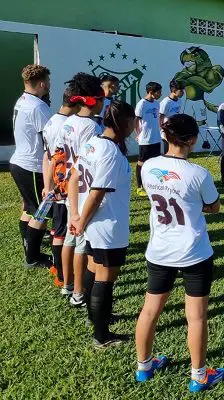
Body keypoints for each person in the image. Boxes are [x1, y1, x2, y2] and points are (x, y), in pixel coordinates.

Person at [134, 113, 224, 392]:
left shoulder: (148, 166)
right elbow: (214, 207)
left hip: (159, 250)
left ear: (165, 135)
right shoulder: (198, 173)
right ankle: (198, 376)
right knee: (196, 317)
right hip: (194, 252)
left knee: (150, 310)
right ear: (193, 140)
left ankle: (144, 366)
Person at [68, 99, 134, 349]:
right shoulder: (109, 151)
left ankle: (95, 317)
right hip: (107, 224)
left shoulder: (92, 143)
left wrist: (75, 215)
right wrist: (80, 221)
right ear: (125, 122)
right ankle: (102, 336)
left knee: (94, 268)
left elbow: (74, 178)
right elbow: (96, 192)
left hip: (92, 221)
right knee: (106, 277)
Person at [57, 73, 105, 308]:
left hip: (69, 189)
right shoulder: (91, 128)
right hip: (83, 191)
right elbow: (90, 162)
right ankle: (78, 292)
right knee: (81, 244)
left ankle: (66, 284)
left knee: (69, 238)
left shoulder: (68, 122)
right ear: (95, 100)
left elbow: (59, 156)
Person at [9, 64, 52, 268]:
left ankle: (29, 242)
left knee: (28, 206)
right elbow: (50, 139)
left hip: (18, 162)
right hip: (32, 166)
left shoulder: (23, 100)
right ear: (43, 83)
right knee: (41, 210)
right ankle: (32, 257)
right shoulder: (38, 106)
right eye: (48, 82)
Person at [43, 84, 79, 291]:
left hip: (57, 184)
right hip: (65, 187)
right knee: (62, 232)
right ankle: (63, 273)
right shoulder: (65, 125)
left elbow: (48, 157)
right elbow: (55, 158)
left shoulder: (52, 122)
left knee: (59, 229)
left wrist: (48, 186)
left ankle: (60, 270)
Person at [135, 82, 163, 196]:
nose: (160, 94)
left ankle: (153, 184)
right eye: (159, 92)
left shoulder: (157, 104)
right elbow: (136, 119)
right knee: (142, 162)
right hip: (145, 139)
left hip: (156, 138)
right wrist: (138, 133)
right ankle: (139, 186)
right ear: (151, 92)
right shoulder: (142, 104)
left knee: (155, 162)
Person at [159, 80, 185, 154]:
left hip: (175, 130)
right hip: (167, 130)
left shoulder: (179, 101)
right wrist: (162, 129)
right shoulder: (166, 102)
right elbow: (160, 116)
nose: (183, 92)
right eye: (181, 90)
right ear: (174, 90)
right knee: (167, 152)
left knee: (176, 151)